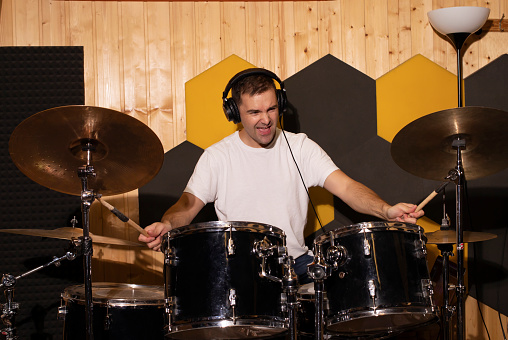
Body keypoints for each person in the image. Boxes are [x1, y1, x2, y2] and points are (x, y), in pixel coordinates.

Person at [139, 68, 424, 284]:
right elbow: (187, 206)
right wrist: (167, 224)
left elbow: (347, 188)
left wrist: (385, 210)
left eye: (272, 109)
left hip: (297, 265)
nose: (265, 120)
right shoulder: (218, 157)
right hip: (241, 270)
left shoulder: (300, 146)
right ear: (234, 112)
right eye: (254, 112)